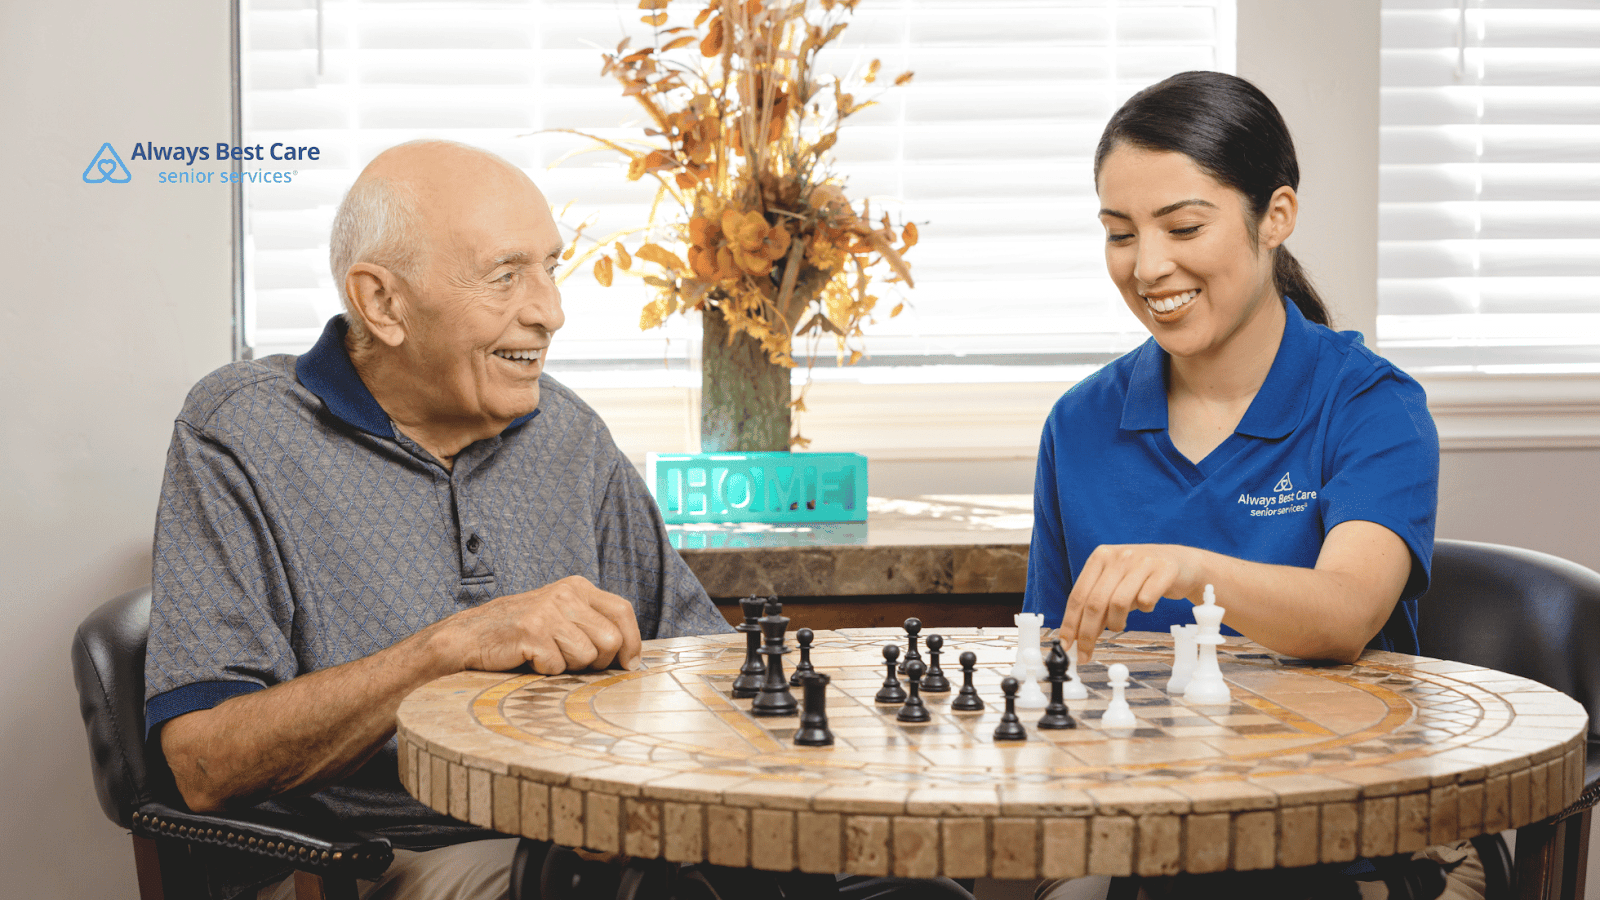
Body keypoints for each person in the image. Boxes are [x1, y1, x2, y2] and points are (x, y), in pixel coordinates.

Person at [145, 140, 971, 900]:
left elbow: (703, 662)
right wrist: (448, 648)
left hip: (615, 835)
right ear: (382, 301)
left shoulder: (568, 433)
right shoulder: (240, 432)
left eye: (550, 268)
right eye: (506, 276)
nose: (551, 312)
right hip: (405, 854)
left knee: (913, 887)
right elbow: (204, 763)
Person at [1025, 73, 1484, 899]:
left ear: (1276, 216)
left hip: (1354, 839)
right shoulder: (1078, 425)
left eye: (1184, 226)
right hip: (1142, 834)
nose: (1148, 266)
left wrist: (1181, 567)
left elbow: (1345, 615)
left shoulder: (1373, 407)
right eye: (1119, 233)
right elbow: (1057, 665)